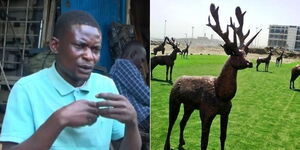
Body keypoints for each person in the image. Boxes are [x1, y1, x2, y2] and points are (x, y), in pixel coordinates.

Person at [0, 10, 141, 150]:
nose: (89, 56)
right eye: (80, 46)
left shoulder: (106, 85)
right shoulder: (26, 89)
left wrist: (132, 124)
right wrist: (59, 120)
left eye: (95, 49)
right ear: (55, 46)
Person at [109, 41, 149, 133]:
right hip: (142, 116)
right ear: (133, 54)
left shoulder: (121, 67)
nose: (142, 66)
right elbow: (145, 96)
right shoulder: (123, 65)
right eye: (142, 60)